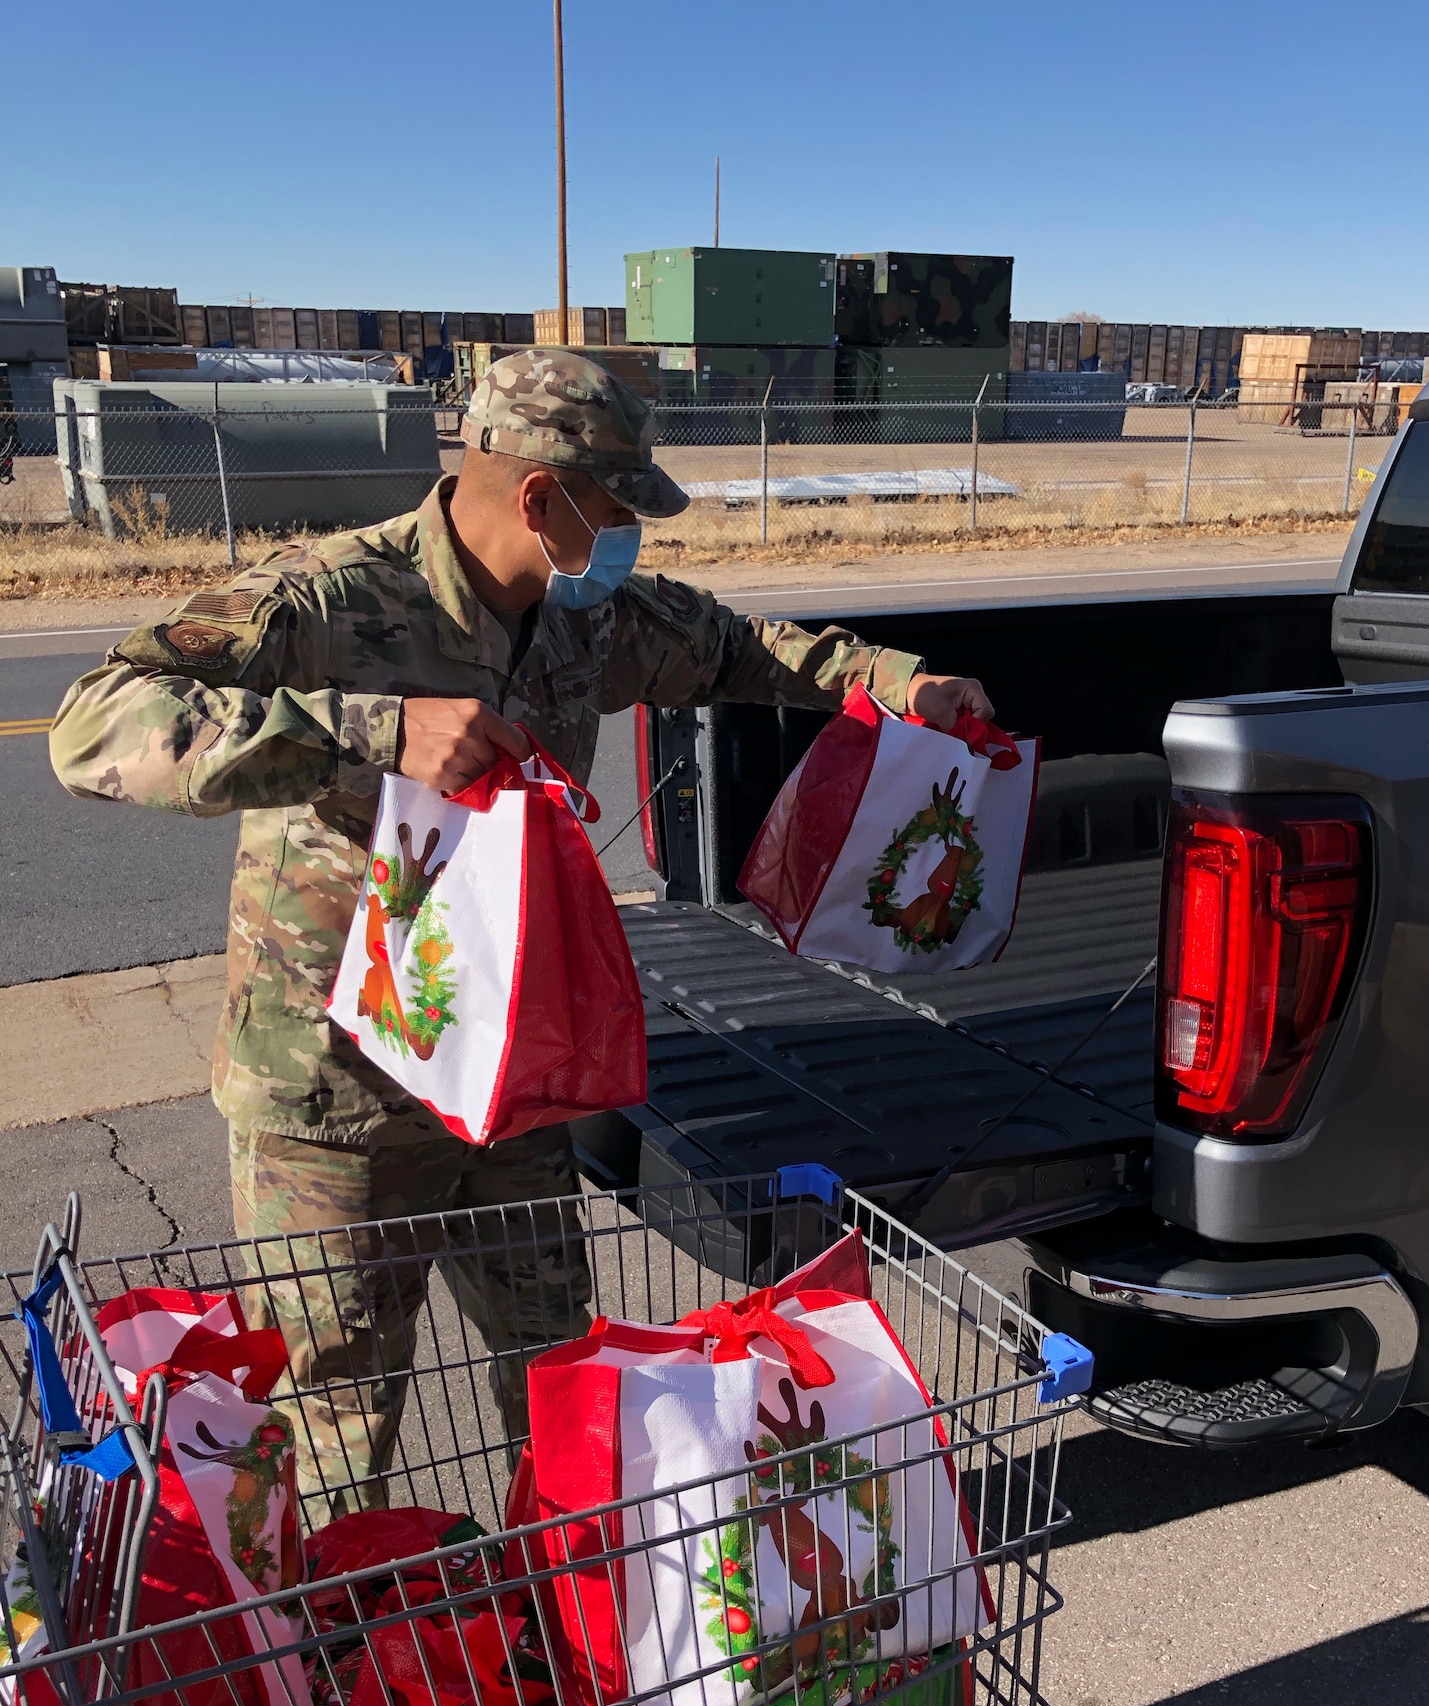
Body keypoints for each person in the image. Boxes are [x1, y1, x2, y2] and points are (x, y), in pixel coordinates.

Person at [50, 348, 993, 1516]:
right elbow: (96, 724)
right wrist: (372, 734)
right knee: (337, 1435)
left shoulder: (582, 618)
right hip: (335, 1108)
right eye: (613, 510)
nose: (626, 539)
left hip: (509, 1088)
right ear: (538, 498)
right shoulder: (333, 598)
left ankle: (559, 1652)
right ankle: (351, 1681)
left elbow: (739, 648)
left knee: (564, 1386)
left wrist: (900, 683)